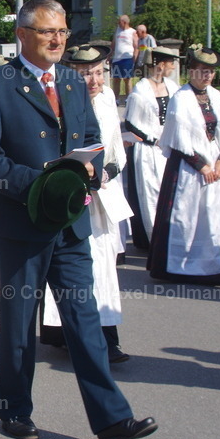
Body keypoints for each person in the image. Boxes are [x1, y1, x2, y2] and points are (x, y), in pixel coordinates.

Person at [0, 0, 156, 439]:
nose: (58, 40)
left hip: (71, 222)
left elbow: (90, 138)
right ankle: (14, 409)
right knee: (18, 322)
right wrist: (40, 185)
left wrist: (91, 168)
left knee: (84, 319)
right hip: (21, 223)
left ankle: (111, 418)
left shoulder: (72, 81)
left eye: (63, 32)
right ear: (22, 35)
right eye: (48, 32)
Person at [41, 44, 133, 363]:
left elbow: (118, 155)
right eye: (85, 73)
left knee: (104, 268)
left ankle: (107, 338)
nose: (93, 80)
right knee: (72, 268)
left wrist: (105, 172)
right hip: (68, 197)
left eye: (98, 72)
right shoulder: (59, 100)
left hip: (100, 198)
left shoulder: (108, 102)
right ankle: (69, 334)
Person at [147, 45, 220, 284]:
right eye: (203, 70)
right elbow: (178, 139)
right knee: (194, 217)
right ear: (191, 71)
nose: (207, 76)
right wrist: (202, 165)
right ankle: (193, 266)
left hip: (218, 167)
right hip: (190, 170)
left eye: (211, 71)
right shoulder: (180, 99)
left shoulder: (216, 96)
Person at [123, 45, 181, 249]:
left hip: (167, 148)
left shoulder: (173, 88)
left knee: (170, 192)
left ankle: (170, 237)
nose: (173, 67)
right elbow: (131, 123)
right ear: (160, 64)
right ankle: (152, 239)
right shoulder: (141, 89)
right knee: (149, 194)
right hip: (147, 151)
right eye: (171, 63)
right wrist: (151, 138)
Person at [110, 14, 137, 101]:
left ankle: (128, 99)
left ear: (124, 22)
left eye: (119, 22)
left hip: (127, 58)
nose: (118, 24)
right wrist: (109, 55)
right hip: (117, 58)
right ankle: (116, 99)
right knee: (116, 79)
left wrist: (134, 59)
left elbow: (136, 46)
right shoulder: (118, 30)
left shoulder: (132, 32)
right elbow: (113, 44)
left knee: (127, 79)